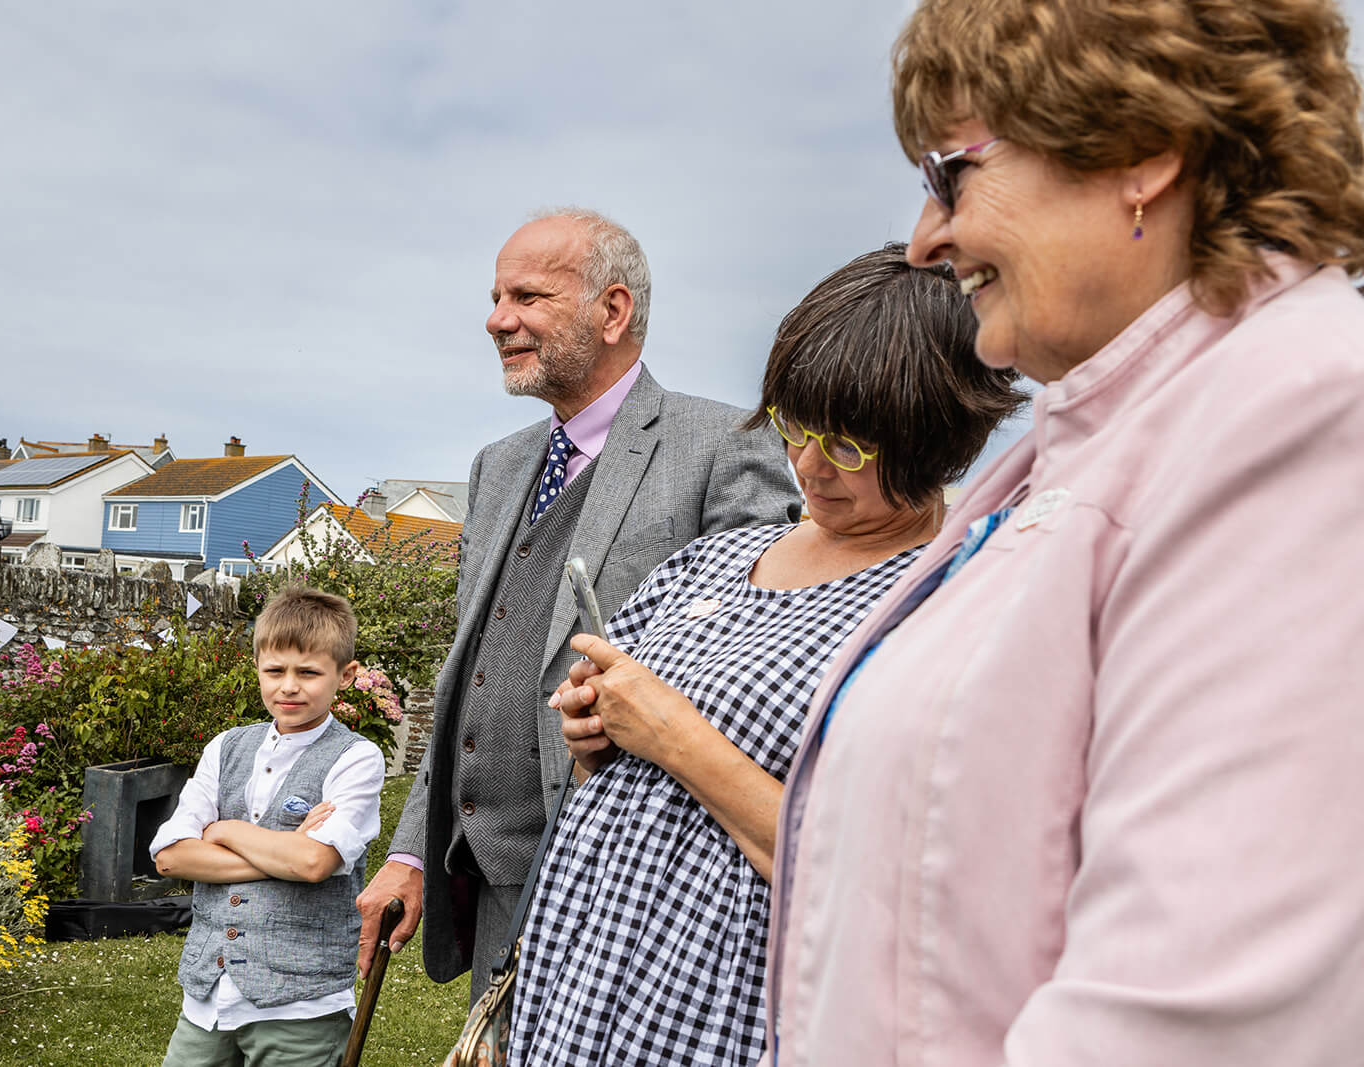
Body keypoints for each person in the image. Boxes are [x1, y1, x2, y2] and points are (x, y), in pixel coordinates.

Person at [767, 2, 1364, 1065]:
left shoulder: (1300, 413)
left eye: (951, 172)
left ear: (1138, 151)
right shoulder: (1079, 444)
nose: (923, 238)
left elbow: (1194, 1019)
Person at [507, 244, 1022, 1066]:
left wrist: (671, 730)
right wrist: (594, 734)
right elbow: (607, 781)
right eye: (796, 425)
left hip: (723, 1015)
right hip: (579, 987)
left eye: (850, 447)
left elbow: (883, 877)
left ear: (941, 441)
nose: (809, 465)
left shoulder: (951, 607)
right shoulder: (711, 560)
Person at [354, 208, 803, 999]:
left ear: (613, 310)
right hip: (490, 881)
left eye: (527, 297)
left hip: (636, 888)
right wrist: (413, 851)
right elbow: (468, 676)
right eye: (496, 297)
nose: (497, 320)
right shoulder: (498, 466)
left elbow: (766, 661)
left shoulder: (724, 443)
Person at [151, 586, 385, 1067]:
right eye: (275, 671)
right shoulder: (226, 747)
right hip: (207, 1000)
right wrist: (284, 852)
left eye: (308, 673)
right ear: (257, 666)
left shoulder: (357, 758)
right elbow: (170, 855)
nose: (289, 687)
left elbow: (315, 861)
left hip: (301, 1008)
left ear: (346, 675)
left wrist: (224, 831)